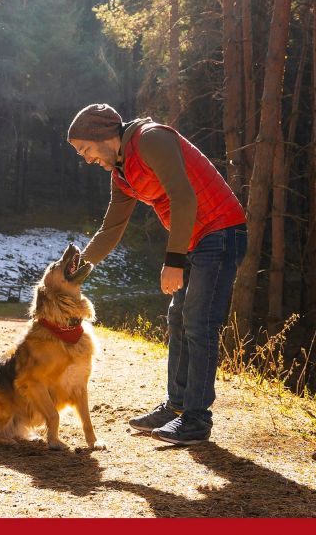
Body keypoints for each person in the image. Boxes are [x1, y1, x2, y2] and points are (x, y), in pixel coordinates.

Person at [67, 103, 246, 445]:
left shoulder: (150, 139)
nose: (87, 159)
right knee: (178, 317)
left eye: (86, 149)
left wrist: (173, 260)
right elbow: (110, 230)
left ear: (103, 135)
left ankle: (197, 419)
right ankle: (176, 406)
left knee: (199, 321)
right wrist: (78, 270)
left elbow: (184, 197)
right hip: (195, 238)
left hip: (221, 230)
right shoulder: (121, 175)